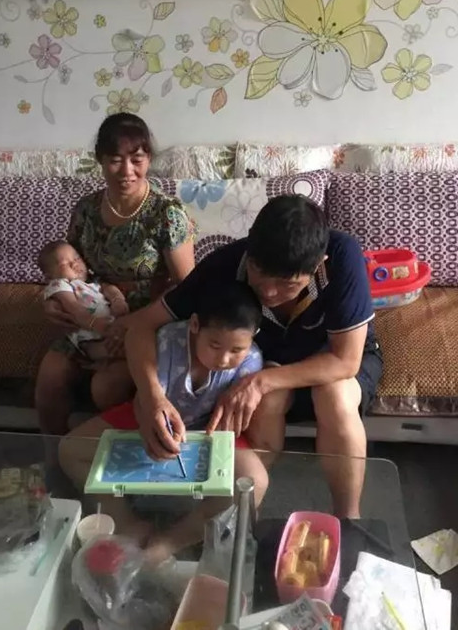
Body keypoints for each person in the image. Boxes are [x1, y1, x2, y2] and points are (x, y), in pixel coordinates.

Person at [125, 196, 383, 519]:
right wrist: (153, 397)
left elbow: (346, 361)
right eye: (259, 274)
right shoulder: (225, 264)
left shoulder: (343, 257)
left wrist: (261, 382)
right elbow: (142, 327)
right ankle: (245, 502)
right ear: (249, 249)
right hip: (272, 365)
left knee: (333, 395)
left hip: (335, 363)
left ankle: (348, 518)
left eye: (287, 285)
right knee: (265, 398)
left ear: (319, 264)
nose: (270, 293)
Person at [59, 281, 271, 561]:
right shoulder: (168, 342)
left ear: (254, 337)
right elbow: (145, 402)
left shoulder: (252, 361)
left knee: (255, 481)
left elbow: (229, 424)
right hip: (150, 414)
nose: (223, 359)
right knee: (71, 449)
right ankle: (126, 522)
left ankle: (174, 539)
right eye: (214, 345)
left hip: (208, 427)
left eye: (236, 350)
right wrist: (153, 426)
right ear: (194, 325)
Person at [35, 113, 196, 435]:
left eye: (137, 159)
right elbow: (69, 267)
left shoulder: (167, 214)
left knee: (105, 388)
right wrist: (51, 301)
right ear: (100, 160)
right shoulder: (86, 210)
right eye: (115, 160)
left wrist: (131, 325)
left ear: (149, 159)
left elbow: (188, 288)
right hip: (94, 314)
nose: (126, 171)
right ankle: (55, 456)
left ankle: (112, 457)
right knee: (50, 376)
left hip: (148, 321)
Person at [39, 240, 129, 364]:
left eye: (77, 258)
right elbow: (74, 308)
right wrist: (95, 324)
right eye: (65, 263)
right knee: (93, 347)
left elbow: (109, 288)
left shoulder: (93, 281)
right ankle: (108, 353)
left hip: (111, 323)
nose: (75, 264)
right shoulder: (59, 284)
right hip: (87, 332)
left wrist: (117, 300)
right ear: (50, 277)